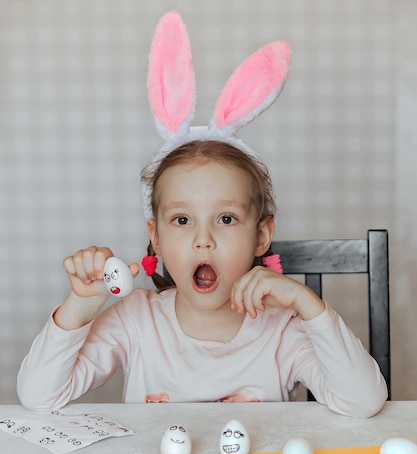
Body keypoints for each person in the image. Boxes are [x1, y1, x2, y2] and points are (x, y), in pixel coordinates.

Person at [17, 12, 387, 416]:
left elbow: (364, 402)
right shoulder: (137, 321)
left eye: (226, 219)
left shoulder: (281, 329)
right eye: (181, 220)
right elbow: (39, 396)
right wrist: (81, 303)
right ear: (155, 236)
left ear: (262, 236)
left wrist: (306, 302)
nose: (203, 239)